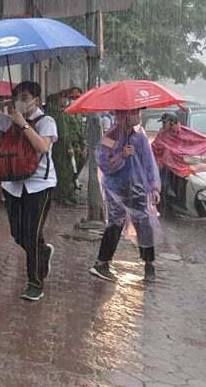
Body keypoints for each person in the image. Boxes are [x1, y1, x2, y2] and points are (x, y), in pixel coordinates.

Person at [0, 81, 57, 302]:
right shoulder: (10, 120)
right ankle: (43, 252)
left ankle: (35, 283)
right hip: (13, 184)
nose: (21, 102)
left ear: (37, 99)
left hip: (39, 184)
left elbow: (42, 147)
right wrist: (8, 102)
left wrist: (23, 124)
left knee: (31, 234)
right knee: (18, 233)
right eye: (18, 98)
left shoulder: (46, 121)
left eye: (25, 97)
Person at [90, 109, 162, 283]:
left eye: (137, 112)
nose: (137, 116)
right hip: (116, 189)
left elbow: (149, 163)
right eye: (133, 113)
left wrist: (154, 187)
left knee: (144, 223)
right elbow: (103, 163)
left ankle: (149, 263)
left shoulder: (140, 137)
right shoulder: (110, 137)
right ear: (123, 115)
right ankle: (102, 263)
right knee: (115, 223)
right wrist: (121, 155)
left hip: (137, 187)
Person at [46, 90, 84, 206]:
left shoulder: (62, 112)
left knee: (68, 172)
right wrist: (69, 146)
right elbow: (62, 133)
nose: (66, 100)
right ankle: (61, 197)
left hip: (65, 145)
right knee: (62, 172)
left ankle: (66, 194)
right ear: (57, 100)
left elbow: (67, 132)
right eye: (63, 98)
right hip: (59, 146)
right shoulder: (53, 113)